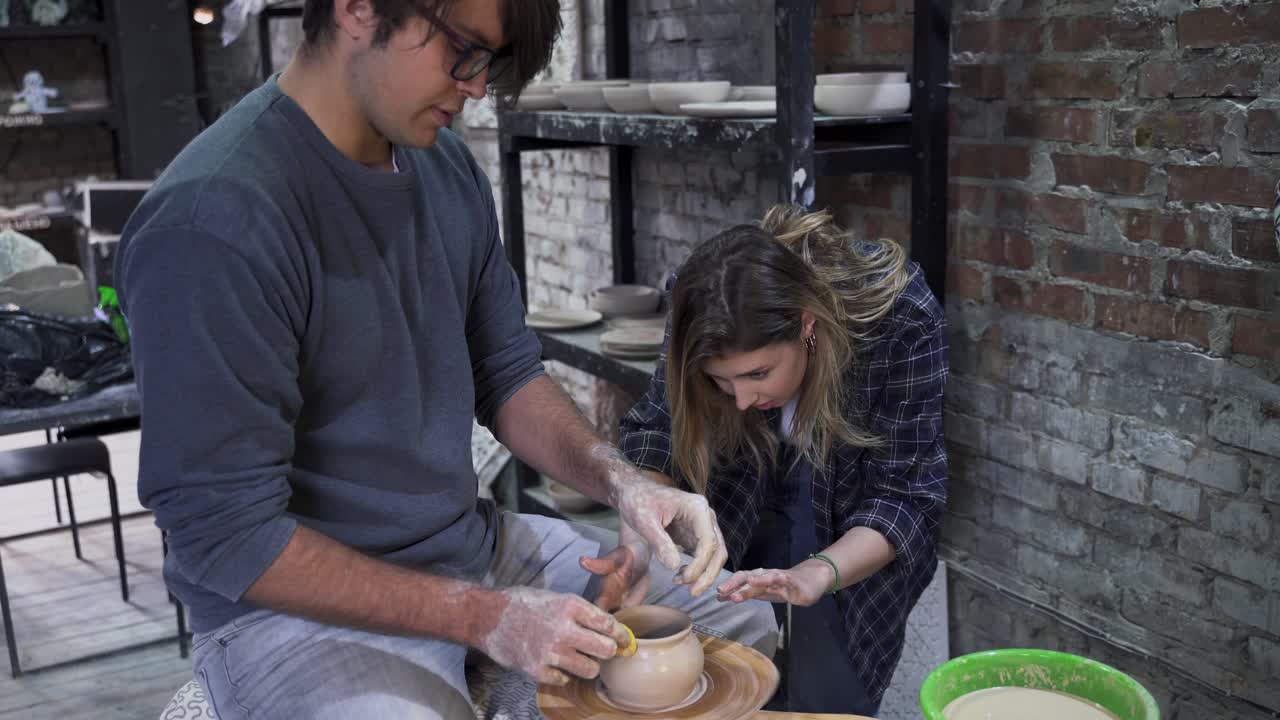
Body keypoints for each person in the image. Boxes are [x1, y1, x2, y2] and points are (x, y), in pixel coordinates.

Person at [114, 1, 774, 717]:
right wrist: (484, 617)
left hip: (467, 549)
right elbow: (226, 536)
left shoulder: (447, 169)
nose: (478, 87)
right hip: (290, 613)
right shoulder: (213, 224)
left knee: (737, 622)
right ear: (358, 8)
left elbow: (508, 371)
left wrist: (623, 483)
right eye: (465, 50)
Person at [617, 205, 949, 716]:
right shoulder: (701, 301)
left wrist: (817, 573)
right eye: (720, 382)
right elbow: (658, 431)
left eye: (757, 374)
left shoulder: (899, 317)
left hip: (852, 510)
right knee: (733, 675)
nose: (741, 399)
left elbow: (904, 498)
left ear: (807, 325)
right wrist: (642, 526)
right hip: (741, 480)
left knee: (830, 696)